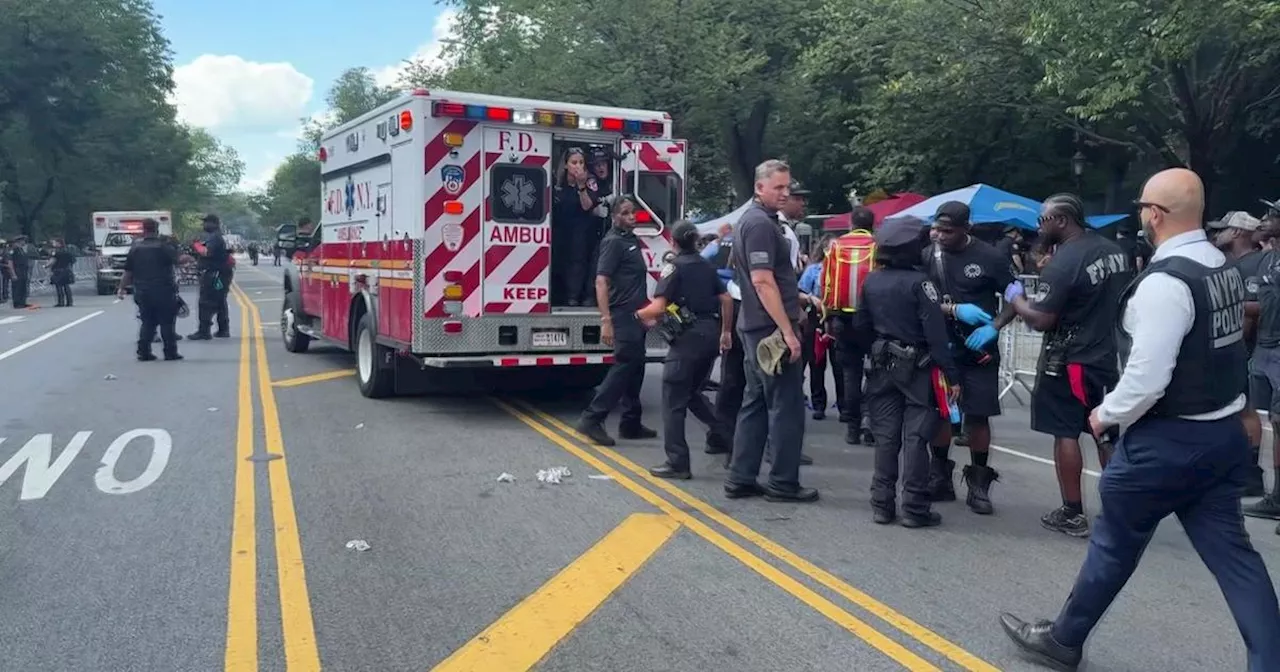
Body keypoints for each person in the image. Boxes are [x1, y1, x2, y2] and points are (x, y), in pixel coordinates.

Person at [999, 168, 1280, 672]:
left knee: (1113, 546)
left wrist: (1105, 414)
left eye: (1145, 207)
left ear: (1155, 214)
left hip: (1166, 440)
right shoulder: (1218, 265)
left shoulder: (1164, 284)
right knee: (1237, 559)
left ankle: (1063, 641)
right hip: (1220, 432)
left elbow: (1148, 378)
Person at [1007, 194, 1132, 538]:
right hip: (1109, 356)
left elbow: (1043, 319)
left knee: (1066, 432)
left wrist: (1017, 301)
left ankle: (1072, 512)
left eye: (1043, 220)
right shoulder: (1116, 253)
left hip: (1071, 359)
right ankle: (1120, 512)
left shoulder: (1067, 261)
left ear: (1061, 221)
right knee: (1105, 432)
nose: (1038, 226)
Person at [852, 216, 959, 527]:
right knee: (915, 438)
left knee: (886, 438)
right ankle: (914, 507)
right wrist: (951, 376)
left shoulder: (871, 280)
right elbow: (936, 334)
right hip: (918, 369)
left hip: (882, 365)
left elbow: (861, 325)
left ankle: (881, 504)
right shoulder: (920, 284)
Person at [723, 159, 818, 503]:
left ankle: (741, 476)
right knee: (786, 406)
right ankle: (782, 482)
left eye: (786, 187)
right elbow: (763, 281)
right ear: (759, 187)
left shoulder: (755, 221)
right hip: (768, 330)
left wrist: (800, 297)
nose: (785, 193)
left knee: (755, 403)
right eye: (777, 187)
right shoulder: (760, 224)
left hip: (755, 326)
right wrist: (788, 331)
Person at [922, 202, 1016, 515]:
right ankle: (939, 476)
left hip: (979, 350)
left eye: (948, 231)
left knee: (978, 415)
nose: (941, 236)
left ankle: (978, 483)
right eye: (937, 229)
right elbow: (919, 301)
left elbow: (1017, 298)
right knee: (942, 412)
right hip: (943, 348)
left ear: (967, 228)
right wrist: (951, 310)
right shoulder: (928, 255)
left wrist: (995, 325)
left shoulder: (990, 257)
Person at [637, 221, 734, 479]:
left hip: (688, 339)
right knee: (691, 393)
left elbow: (657, 308)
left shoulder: (674, 266)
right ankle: (729, 438)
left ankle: (677, 462)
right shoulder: (706, 264)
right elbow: (725, 298)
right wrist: (725, 331)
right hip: (711, 334)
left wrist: (634, 316)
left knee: (673, 399)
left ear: (674, 242)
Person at [575, 195, 657, 445]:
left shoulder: (630, 240)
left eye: (632, 212)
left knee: (637, 366)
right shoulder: (613, 243)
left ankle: (630, 422)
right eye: (625, 213)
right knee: (624, 365)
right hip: (621, 313)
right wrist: (606, 319)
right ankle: (591, 418)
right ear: (614, 217)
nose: (631, 217)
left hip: (637, 313)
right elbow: (601, 281)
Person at [1210, 211, 1269, 497]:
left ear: (1236, 233)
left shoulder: (1252, 265)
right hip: (1240, 347)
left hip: (1248, 348)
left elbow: (1253, 310)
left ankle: (1250, 472)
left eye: (1222, 230)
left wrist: (1237, 347)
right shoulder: (1234, 263)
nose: (1217, 234)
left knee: (1245, 410)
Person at [827, 207, 877, 446]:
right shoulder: (877, 245)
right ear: (872, 224)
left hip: (842, 318)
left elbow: (827, 283)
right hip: (872, 318)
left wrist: (828, 316)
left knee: (850, 374)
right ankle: (869, 419)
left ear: (850, 223)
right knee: (877, 371)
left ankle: (852, 426)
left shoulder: (836, 246)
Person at [117, 218, 189, 361]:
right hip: (164, 290)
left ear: (143, 229)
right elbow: (178, 260)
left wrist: (121, 288)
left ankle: (143, 351)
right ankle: (170, 352)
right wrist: (188, 257)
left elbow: (128, 272)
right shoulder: (163, 246)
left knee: (147, 321)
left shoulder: (135, 248)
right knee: (167, 322)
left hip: (142, 290)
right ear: (156, 229)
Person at [701, 222, 744, 459]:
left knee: (730, 377)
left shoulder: (718, 245)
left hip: (725, 304)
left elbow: (703, 263)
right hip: (740, 305)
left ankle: (719, 436)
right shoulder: (754, 237)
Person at [189, 214, 232, 340]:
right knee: (219, 301)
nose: (204, 225)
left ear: (214, 223)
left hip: (214, 274)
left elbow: (207, 252)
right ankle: (223, 330)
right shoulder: (215, 237)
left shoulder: (215, 238)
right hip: (220, 273)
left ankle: (204, 331)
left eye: (206, 223)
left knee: (206, 301)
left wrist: (196, 245)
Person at [47, 239, 76, 307]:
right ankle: (69, 302)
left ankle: (61, 302)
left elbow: (53, 260)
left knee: (59, 286)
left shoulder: (56, 252)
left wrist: (46, 266)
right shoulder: (68, 251)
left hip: (58, 270)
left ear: (59, 243)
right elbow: (73, 261)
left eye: (55, 242)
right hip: (66, 270)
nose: (54, 244)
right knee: (66, 286)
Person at [9, 235, 32, 309]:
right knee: (17, 287)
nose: (24, 242)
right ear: (18, 241)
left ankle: (22, 302)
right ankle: (17, 303)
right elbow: (10, 262)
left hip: (23, 270)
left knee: (23, 286)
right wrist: (13, 274)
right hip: (17, 270)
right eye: (23, 240)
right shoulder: (13, 250)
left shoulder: (21, 250)